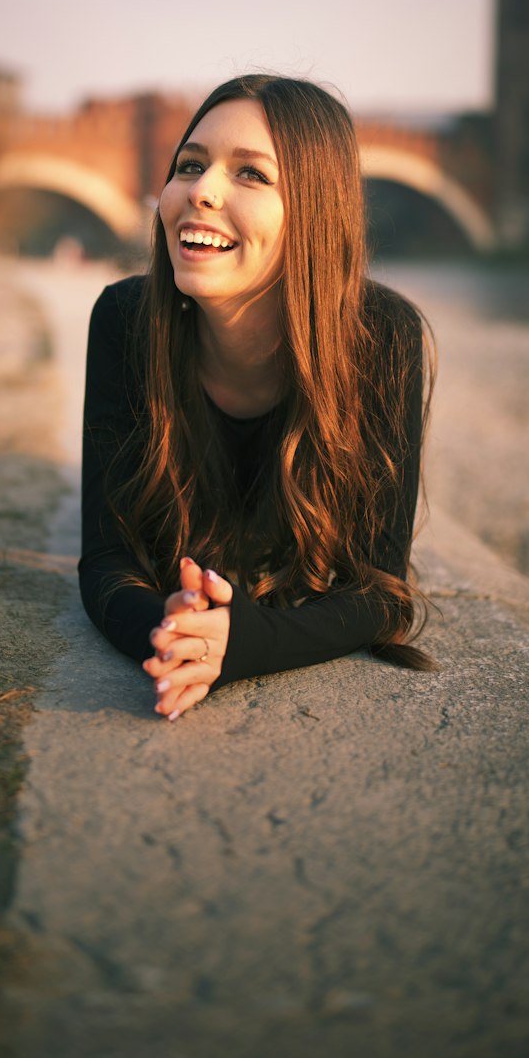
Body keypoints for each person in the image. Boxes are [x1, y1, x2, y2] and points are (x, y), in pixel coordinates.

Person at [79, 74, 435, 722]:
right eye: (190, 165)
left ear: (314, 214)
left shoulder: (383, 338)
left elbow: (381, 593)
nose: (202, 190)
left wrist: (245, 643)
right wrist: (169, 631)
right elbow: (107, 560)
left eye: (251, 175)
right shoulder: (127, 321)